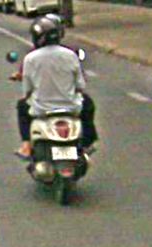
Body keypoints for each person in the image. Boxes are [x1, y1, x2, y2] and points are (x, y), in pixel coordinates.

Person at [14, 15, 98, 160]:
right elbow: (80, 85)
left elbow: (27, 90)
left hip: (41, 108)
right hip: (71, 106)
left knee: (22, 106)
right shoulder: (70, 55)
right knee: (88, 104)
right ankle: (87, 143)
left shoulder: (30, 58)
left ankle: (26, 145)